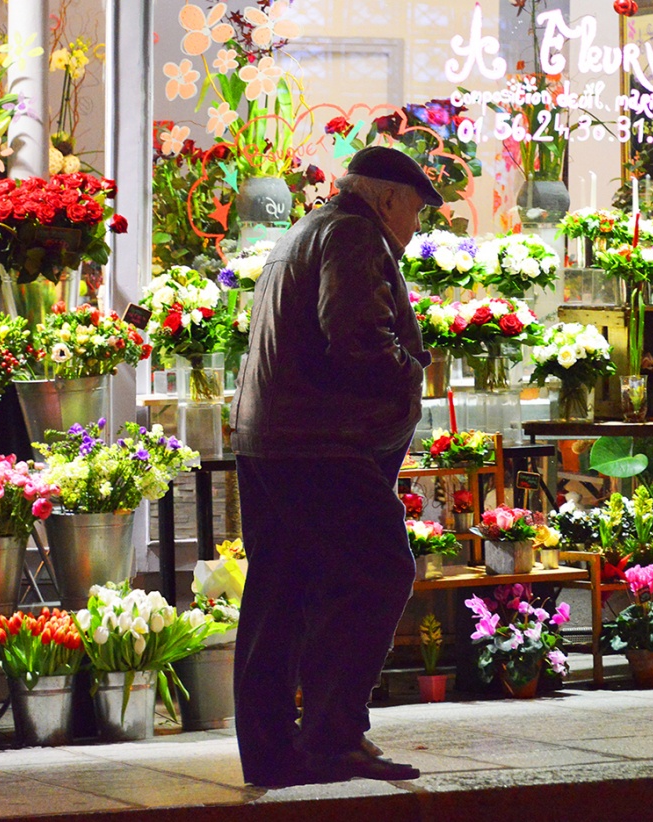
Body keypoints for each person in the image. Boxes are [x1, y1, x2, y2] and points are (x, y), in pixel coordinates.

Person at [229, 145, 443, 788]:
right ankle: (331, 735)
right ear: (386, 199)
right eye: (415, 209)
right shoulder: (353, 234)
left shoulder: (310, 228)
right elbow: (354, 336)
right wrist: (411, 371)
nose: (416, 224)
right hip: (320, 442)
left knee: (283, 592)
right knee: (376, 572)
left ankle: (278, 750)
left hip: (279, 437)